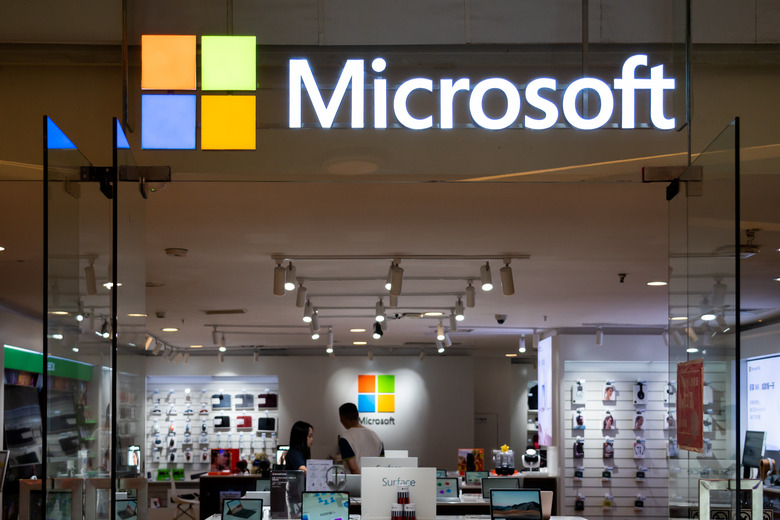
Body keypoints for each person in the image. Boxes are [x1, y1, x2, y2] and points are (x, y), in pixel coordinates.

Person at [337, 403, 384, 474]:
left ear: (341, 418)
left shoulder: (345, 438)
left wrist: (362, 480)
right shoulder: (375, 436)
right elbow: (381, 464)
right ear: (358, 414)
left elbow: (353, 469)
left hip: (356, 481)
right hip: (375, 478)